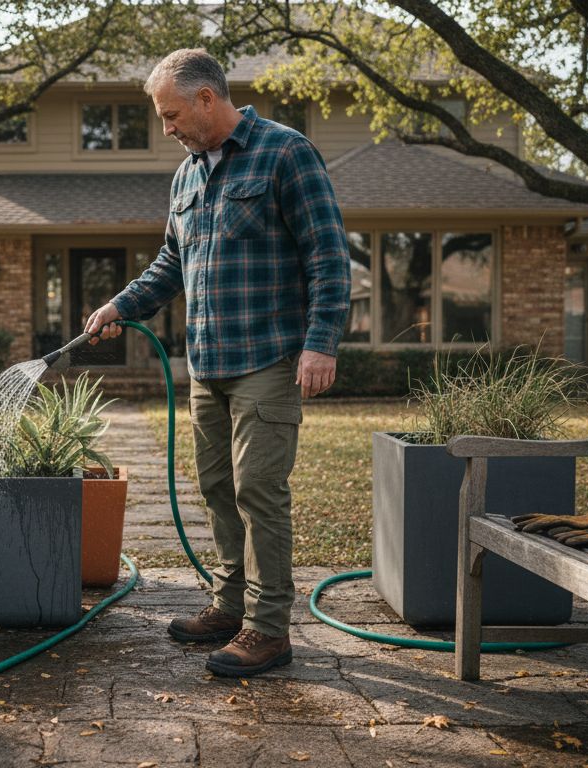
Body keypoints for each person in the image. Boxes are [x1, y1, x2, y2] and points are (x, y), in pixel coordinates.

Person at [84, 49, 350, 678]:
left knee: (259, 490)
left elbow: (329, 256)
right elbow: (170, 265)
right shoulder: (186, 176)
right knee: (217, 488)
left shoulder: (286, 153)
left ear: (207, 98)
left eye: (172, 114)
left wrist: (322, 342)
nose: (167, 127)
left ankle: (268, 629)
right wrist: (120, 304)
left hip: (268, 356)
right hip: (207, 363)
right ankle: (230, 606)